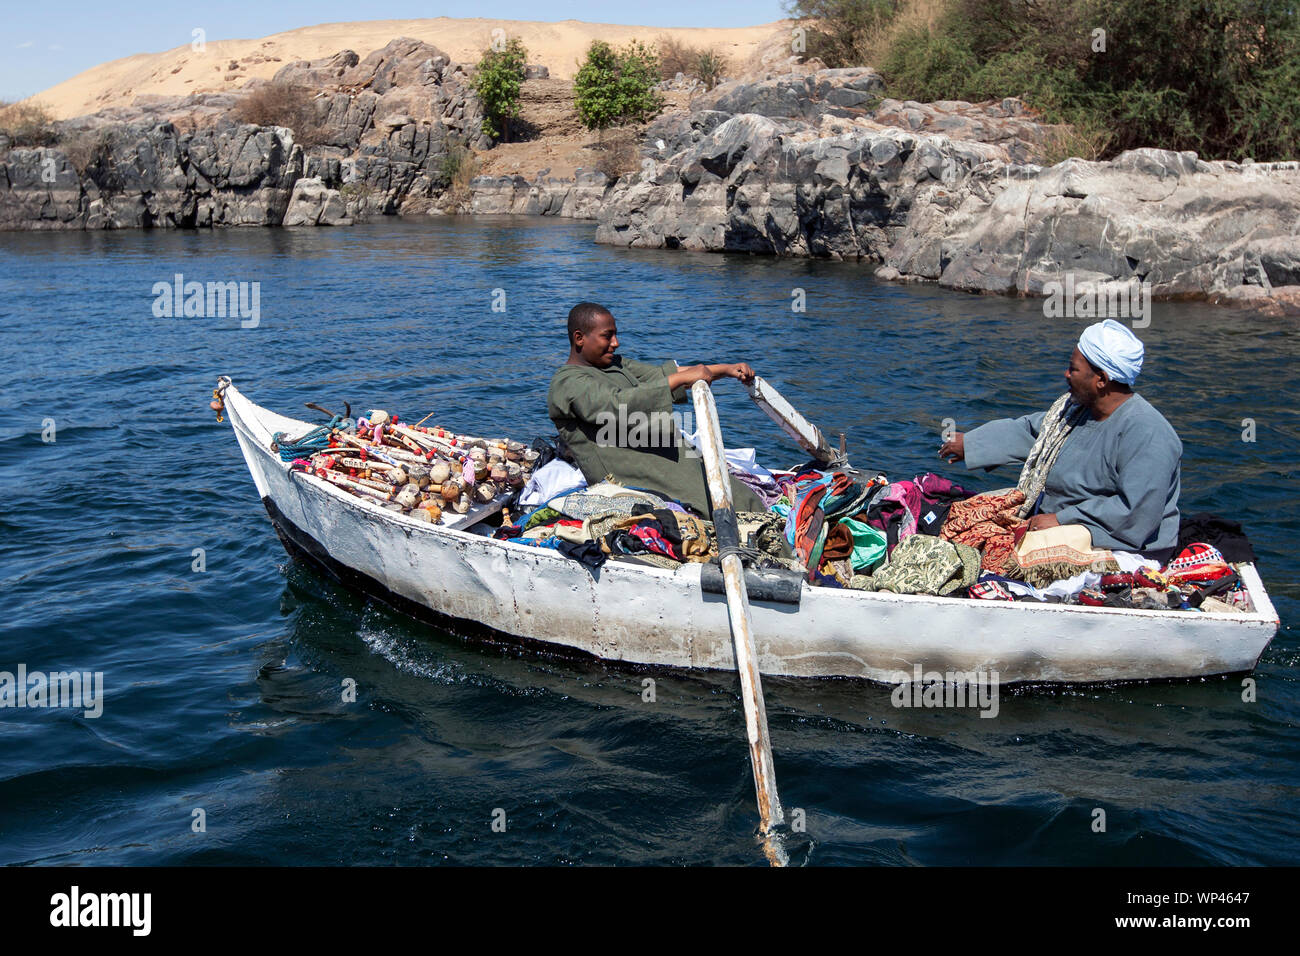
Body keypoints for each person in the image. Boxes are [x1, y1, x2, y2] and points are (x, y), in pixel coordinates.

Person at [937, 319, 1182, 560]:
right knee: (963, 519)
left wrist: (1061, 520)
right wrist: (971, 444)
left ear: (1102, 380)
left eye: (1073, 369)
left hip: (1124, 545)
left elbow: (1135, 512)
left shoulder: (1149, 433)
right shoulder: (1077, 412)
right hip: (1059, 522)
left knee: (1004, 557)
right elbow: (1033, 433)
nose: (1066, 374)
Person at [546, 301, 767, 515]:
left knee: (743, 496)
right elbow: (616, 404)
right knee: (730, 505)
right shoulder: (567, 382)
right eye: (607, 336)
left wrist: (726, 369)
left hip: (659, 457)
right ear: (579, 338)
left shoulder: (614, 364)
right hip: (630, 477)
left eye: (615, 335)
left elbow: (665, 374)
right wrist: (681, 380)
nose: (616, 343)